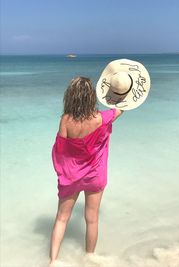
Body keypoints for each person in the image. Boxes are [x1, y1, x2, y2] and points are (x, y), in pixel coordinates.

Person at [49, 76, 123, 265]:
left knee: (61, 219)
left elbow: (60, 150)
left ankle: (53, 261)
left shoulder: (66, 120)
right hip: (95, 175)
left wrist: (63, 173)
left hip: (71, 176)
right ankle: (89, 258)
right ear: (91, 97)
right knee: (91, 219)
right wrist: (120, 89)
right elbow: (122, 109)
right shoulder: (101, 118)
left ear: (70, 97)